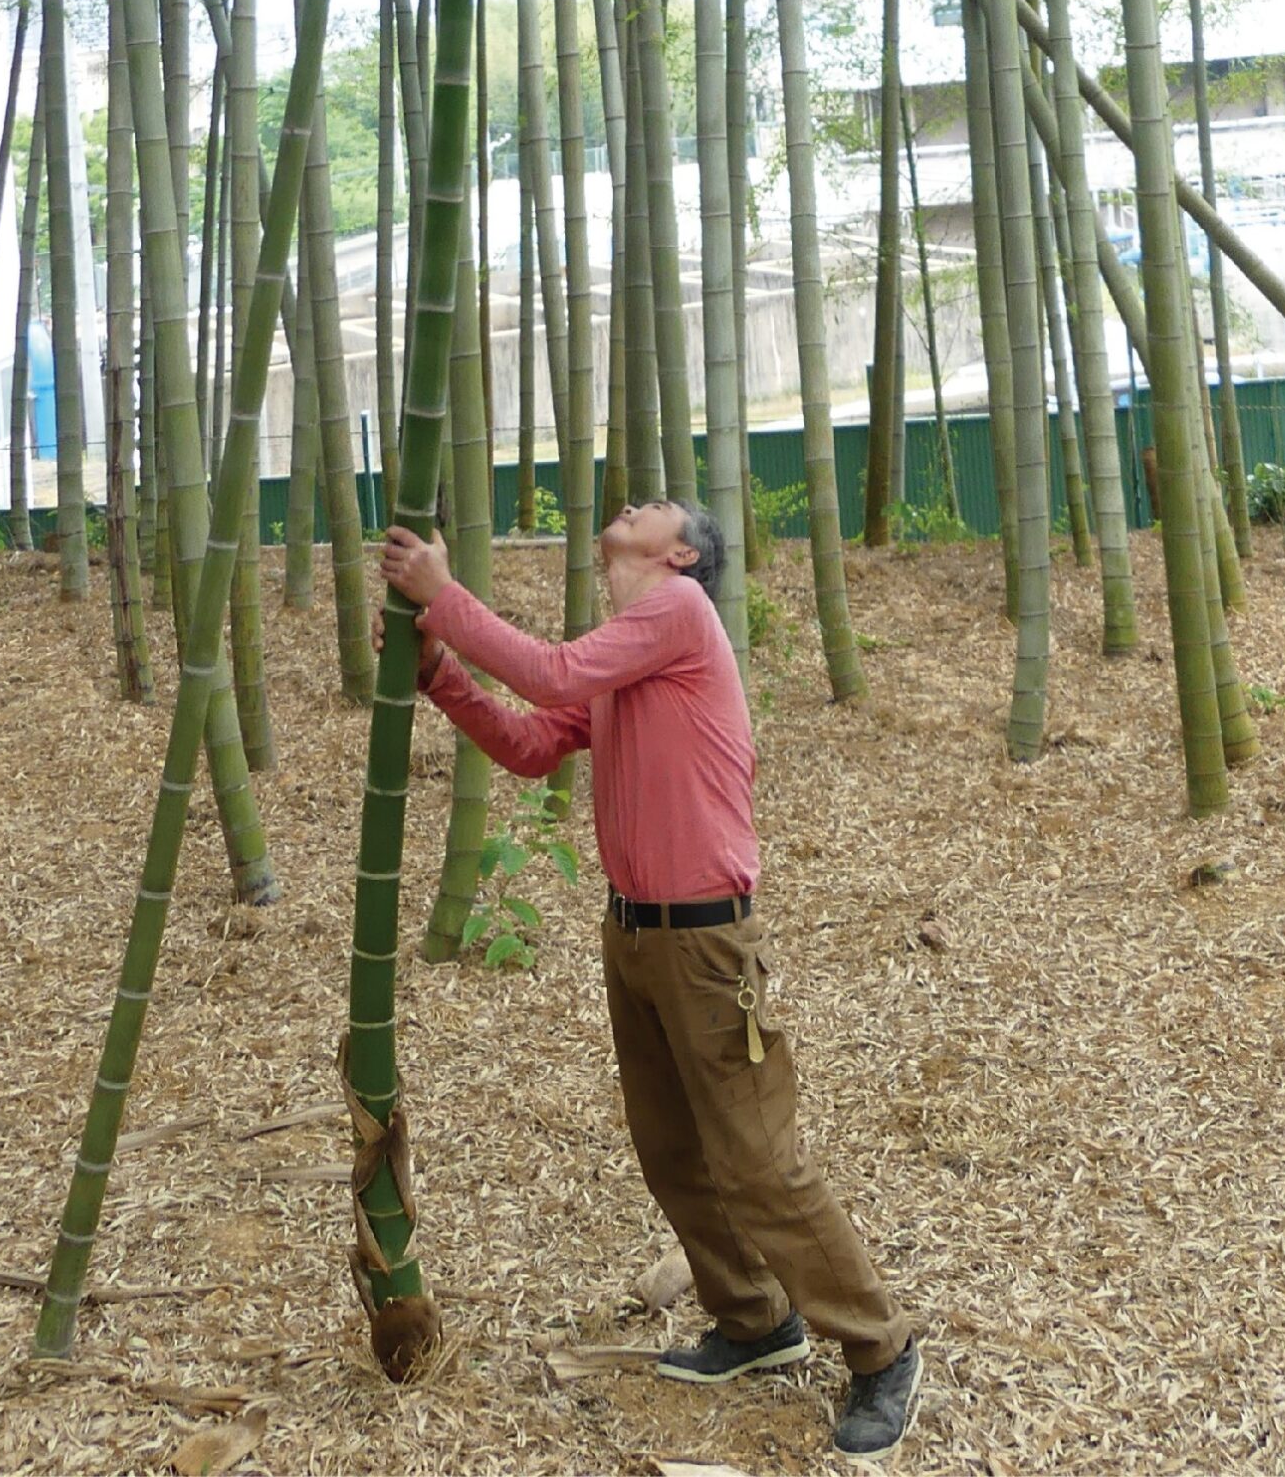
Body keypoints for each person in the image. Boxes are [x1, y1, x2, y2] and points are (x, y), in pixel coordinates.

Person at [374, 500, 922, 1462]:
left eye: (654, 507)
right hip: (634, 935)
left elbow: (547, 671)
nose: (630, 504)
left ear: (679, 554)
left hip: (707, 942)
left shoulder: (678, 613)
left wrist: (442, 596)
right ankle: (753, 1321)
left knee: (758, 1159)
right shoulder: (627, 652)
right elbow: (533, 742)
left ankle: (882, 1349)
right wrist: (439, 675)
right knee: (670, 1148)